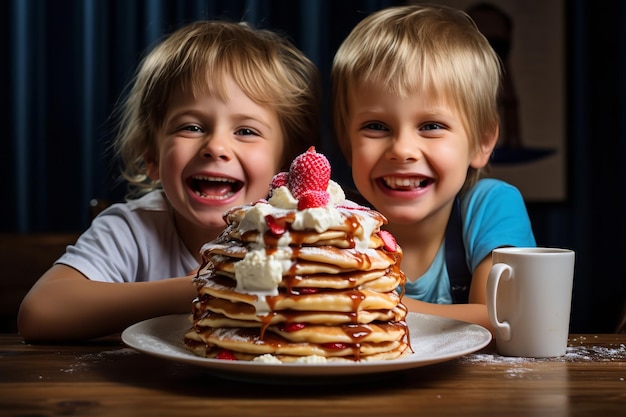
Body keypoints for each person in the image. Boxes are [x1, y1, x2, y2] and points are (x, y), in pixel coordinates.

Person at [18, 20, 321, 341]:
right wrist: (195, 288)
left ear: (288, 167)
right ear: (151, 155)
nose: (216, 147)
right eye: (191, 127)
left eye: (246, 131)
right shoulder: (134, 229)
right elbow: (40, 312)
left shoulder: (310, 239)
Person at [331, 4, 536, 332]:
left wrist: (380, 306)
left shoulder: (491, 207)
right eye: (376, 126)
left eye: (430, 126)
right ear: (348, 141)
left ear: (482, 142)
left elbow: (507, 322)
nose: (402, 150)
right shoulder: (335, 223)